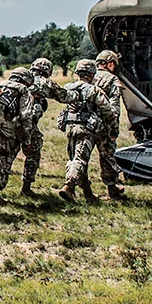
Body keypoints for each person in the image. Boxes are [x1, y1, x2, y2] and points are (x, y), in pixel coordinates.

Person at [0, 68, 39, 202]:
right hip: (1, 122)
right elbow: (26, 115)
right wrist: (27, 138)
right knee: (7, 154)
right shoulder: (23, 89)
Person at [53, 59, 106, 202]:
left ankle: (88, 194)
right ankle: (68, 186)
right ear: (91, 74)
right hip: (86, 128)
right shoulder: (93, 90)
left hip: (70, 127)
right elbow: (106, 109)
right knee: (79, 159)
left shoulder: (69, 87)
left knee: (76, 158)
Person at [92, 49, 129, 201]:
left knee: (81, 156)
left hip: (87, 123)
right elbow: (114, 107)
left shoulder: (90, 77)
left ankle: (75, 187)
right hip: (105, 124)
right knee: (107, 155)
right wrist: (113, 127)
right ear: (111, 64)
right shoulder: (112, 80)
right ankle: (111, 188)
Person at [16, 57, 55, 197]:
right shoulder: (44, 83)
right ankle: (26, 188)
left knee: (1, 153)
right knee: (34, 152)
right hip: (27, 123)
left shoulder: (21, 77)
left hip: (10, 121)